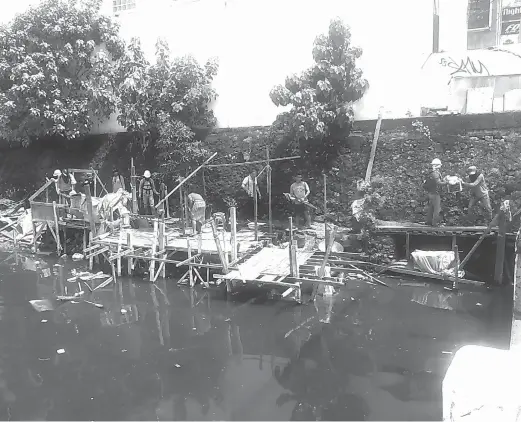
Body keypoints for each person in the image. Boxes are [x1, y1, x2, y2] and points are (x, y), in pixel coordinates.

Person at [423, 158, 448, 227]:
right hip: (435, 193)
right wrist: (447, 182)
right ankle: (435, 223)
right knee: (437, 208)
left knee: (431, 208)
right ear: (438, 165)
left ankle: (429, 221)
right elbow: (438, 183)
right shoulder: (435, 174)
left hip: (431, 193)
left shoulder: (432, 173)